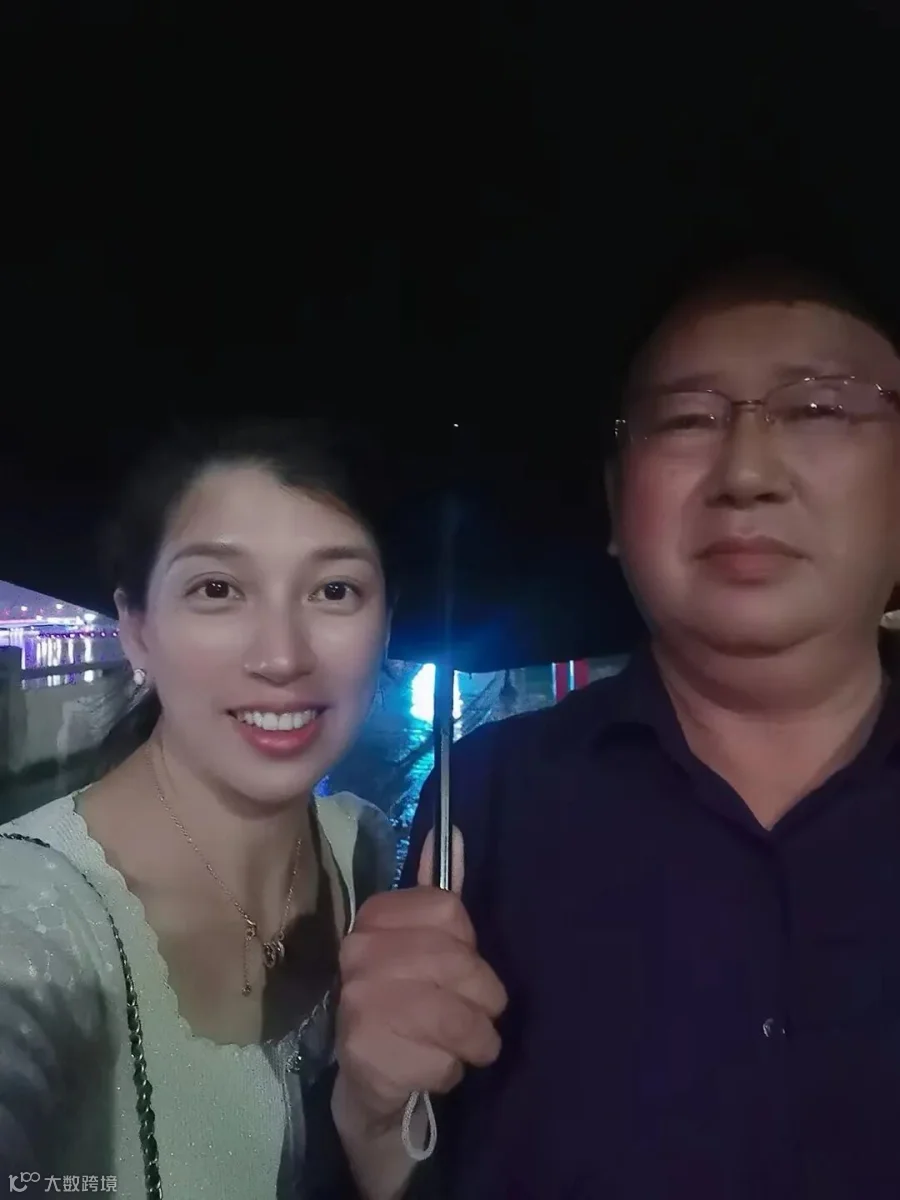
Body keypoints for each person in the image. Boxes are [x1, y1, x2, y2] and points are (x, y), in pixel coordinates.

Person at [332, 259, 900, 1199]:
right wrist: (380, 1121)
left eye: (818, 408)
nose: (747, 473)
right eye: (684, 419)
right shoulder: (489, 804)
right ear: (613, 503)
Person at [0, 418, 397, 1198]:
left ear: (387, 623)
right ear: (137, 629)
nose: (282, 657)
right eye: (217, 590)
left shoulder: (367, 855)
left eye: (335, 590)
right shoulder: (33, 916)